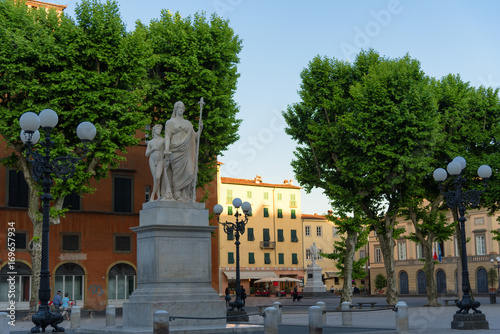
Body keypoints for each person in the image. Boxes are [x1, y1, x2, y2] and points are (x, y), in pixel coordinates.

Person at [164, 101, 202, 202]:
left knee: (189, 172)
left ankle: (185, 194)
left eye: (182, 107)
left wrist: (200, 129)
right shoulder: (170, 122)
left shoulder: (188, 124)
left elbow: (194, 137)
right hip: (175, 149)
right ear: (175, 109)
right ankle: (177, 194)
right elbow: (167, 136)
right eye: (179, 107)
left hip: (186, 150)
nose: (181, 109)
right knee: (176, 173)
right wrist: (166, 149)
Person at [145, 124, 172, 200]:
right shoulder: (150, 142)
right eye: (158, 129)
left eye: (160, 129)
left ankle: (152, 196)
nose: (159, 130)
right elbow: (146, 154)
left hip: (160, 160)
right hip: (152, 160)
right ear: (154, 130)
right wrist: (152, 149)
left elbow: (167, 148)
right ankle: (158, 195)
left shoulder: (163, 140)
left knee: (157, 177)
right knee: (155, 178)